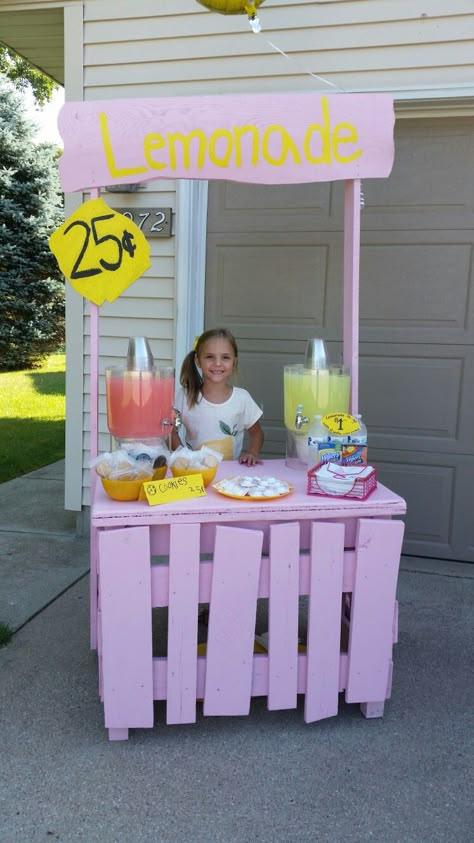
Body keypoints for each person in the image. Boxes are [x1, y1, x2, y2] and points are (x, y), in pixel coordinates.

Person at [172, 328, 264, 465]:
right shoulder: (185, 396)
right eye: (210, 357)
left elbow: (257, 433)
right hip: (194, 473)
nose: (218, 363)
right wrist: (182, 454)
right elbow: (169, 430)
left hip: (229, 477)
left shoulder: (242, 398)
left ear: (234, 362)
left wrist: (252, 452)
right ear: (198, 361)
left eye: (225, 357)